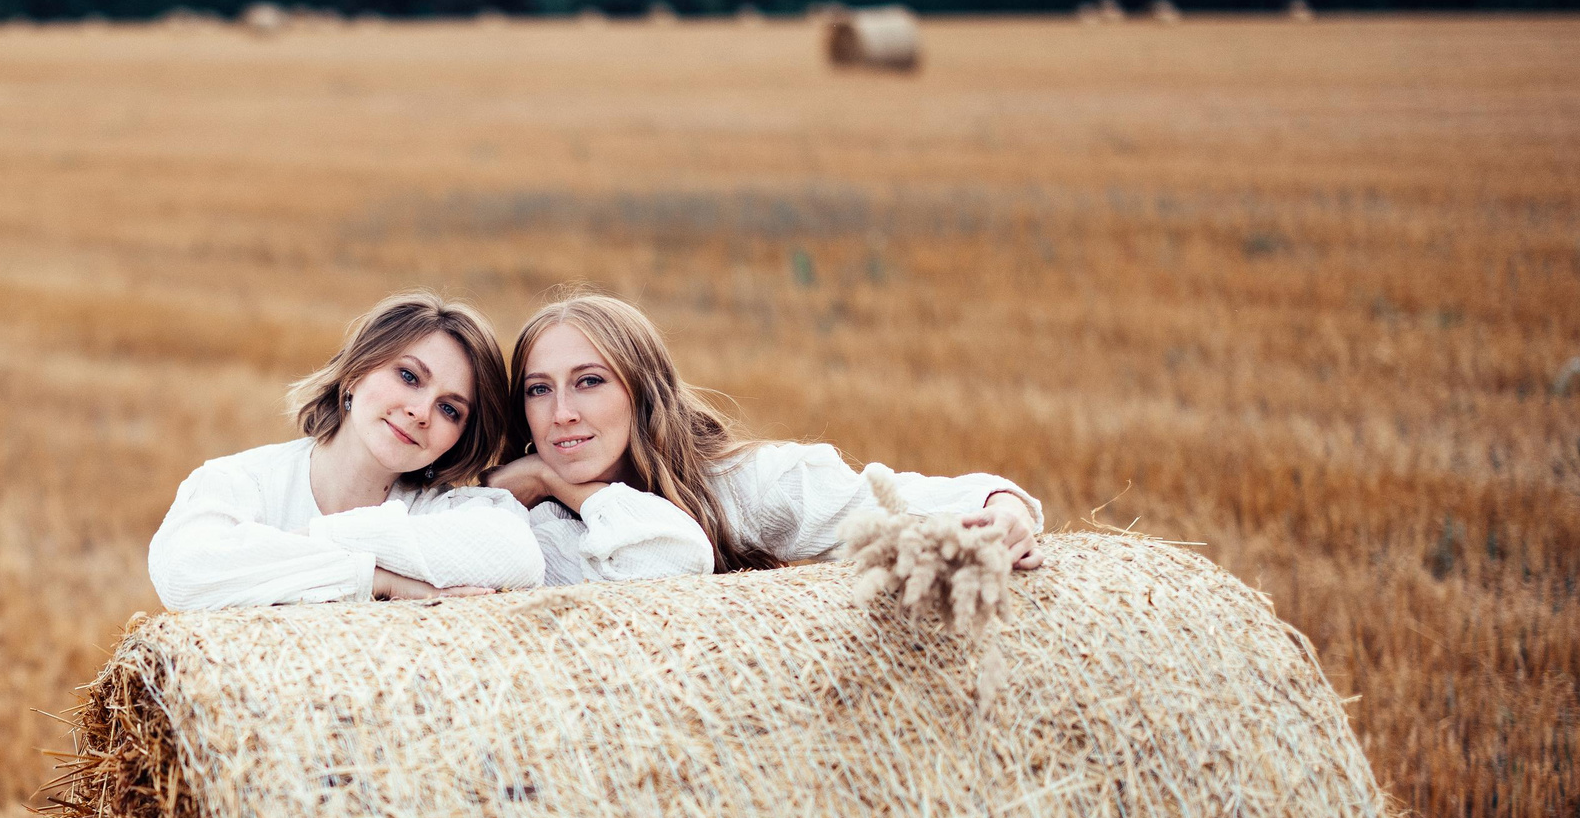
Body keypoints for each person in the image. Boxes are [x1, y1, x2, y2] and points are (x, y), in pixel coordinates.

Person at [486, 290, 1042, 583]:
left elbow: (874, 508)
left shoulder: (736, 486)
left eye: (589, 382)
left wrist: (1000, 504)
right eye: (538, 390)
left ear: (644, 392)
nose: (561, 412)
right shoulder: (509, 518)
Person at [148, 293, 545, 609]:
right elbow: (184, 574)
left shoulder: (441, 510)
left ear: (460, 438)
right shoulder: (241, 481)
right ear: (355, 372)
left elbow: (519, 557)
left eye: (449, 409)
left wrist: (314, 538)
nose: (420, 412)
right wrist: (375, 580)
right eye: (408, 376)